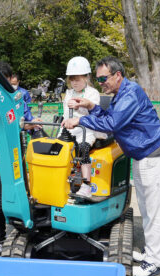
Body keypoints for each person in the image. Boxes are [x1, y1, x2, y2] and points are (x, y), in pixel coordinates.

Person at [62, 56, 160, 276]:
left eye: (104, 78)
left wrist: (80, 121)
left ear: (118, 75)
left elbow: (112, 124)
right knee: (147, 209)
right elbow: (109, 117)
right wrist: (91, 106)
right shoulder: (120, 94)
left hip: (153, 156)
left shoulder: (130, 94)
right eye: (99, 78)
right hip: (143, 156)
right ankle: (150, 253)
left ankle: (154, 261)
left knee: (154, 211)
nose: (101, 82)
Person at [0, 62, 42, 257]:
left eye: (6, 80)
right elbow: (3, 120)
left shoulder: (16, 97)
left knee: (22, 192)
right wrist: (25, 125)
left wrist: (33, 124)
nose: (6, 84)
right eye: (1, 80)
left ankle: (20, 228)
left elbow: (26, 116)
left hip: (15, 154)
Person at [61, 56, 106, 198]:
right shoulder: (68, 93)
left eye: (78, 79)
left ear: (86, 78)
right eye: (72, 79)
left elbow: (94, 114)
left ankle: (86, 184)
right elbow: (65, 113)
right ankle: (63, 181)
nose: (74, 83)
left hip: (87, 129)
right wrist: (65, 121)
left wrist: (80, 107)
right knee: (58, 148)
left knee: (84, 148)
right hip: (70, 129)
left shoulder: (92, 93)